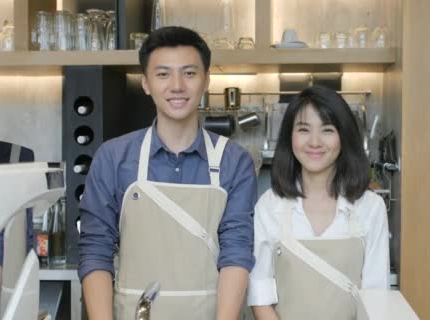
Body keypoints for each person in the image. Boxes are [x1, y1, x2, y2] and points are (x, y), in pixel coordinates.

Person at [78, 26, 257, 319]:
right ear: (146, 83)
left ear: (206, 80)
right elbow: (95, 251)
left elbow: (236, 252)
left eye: (189, 73)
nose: (177, 86)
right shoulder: (113, 157)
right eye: (163, 74)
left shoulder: (234, 161)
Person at [247, 85, 390, 320]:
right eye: (303, 129)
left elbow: (376, 296)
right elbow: (260, 296)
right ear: (289, 137)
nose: (314, 142)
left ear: (344, 137)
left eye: (327, 130)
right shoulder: (269, 206)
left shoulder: (370, 207)